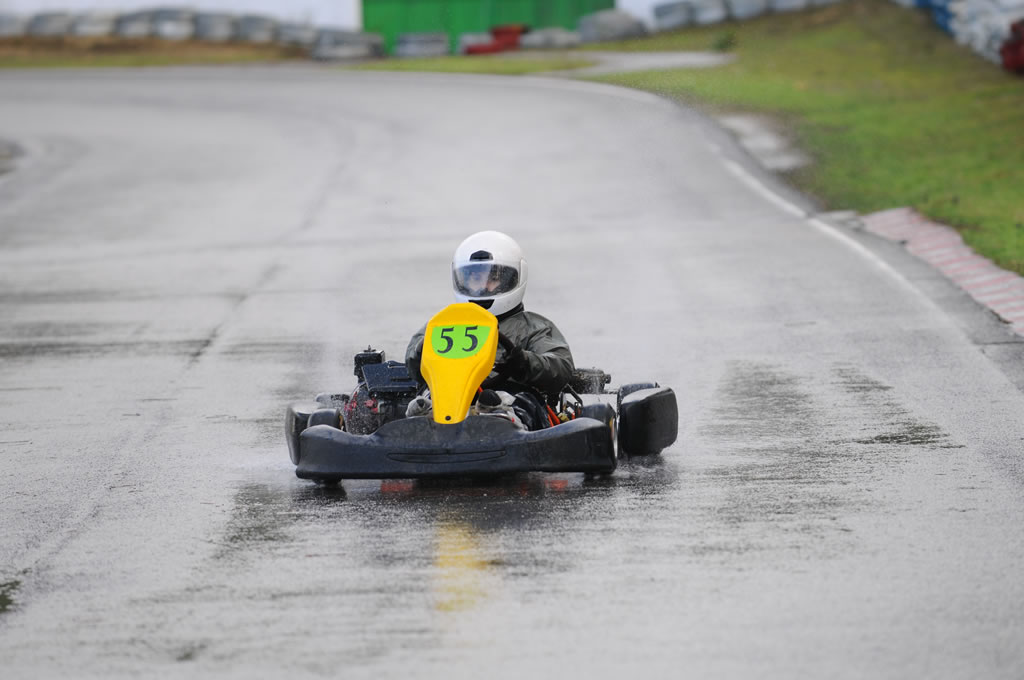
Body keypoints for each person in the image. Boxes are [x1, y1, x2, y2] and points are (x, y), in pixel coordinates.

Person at [405, 231, 575, 429]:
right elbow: (412, 365)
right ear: (461, 279)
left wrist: (525, 364)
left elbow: (561, 366)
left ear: (513, 279)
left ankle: (502, 416)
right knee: (429, 394)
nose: (483, 286)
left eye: (493, 279)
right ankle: (423, 417)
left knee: (520, 400)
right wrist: (422, 350)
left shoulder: (534, 326)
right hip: (450, 397)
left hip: (511, 397)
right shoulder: (444, 323)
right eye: (475, 279)